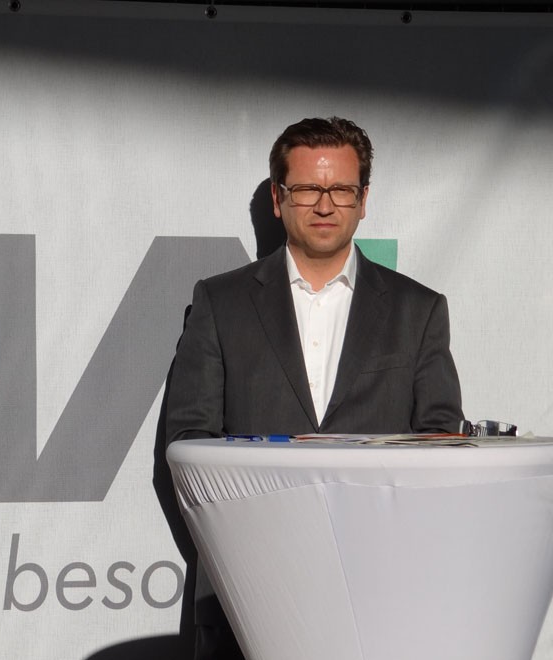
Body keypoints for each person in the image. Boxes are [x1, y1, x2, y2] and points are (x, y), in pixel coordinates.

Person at [164, 116, 463, 659]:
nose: (325, 205)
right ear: (278, 199)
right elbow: (189, 446)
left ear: (363, 199)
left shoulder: (418, 311)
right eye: (306, 189)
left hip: (380, 595)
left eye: (341, 189)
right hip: (248, 593)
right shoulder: (220, 303)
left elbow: (440, 447)